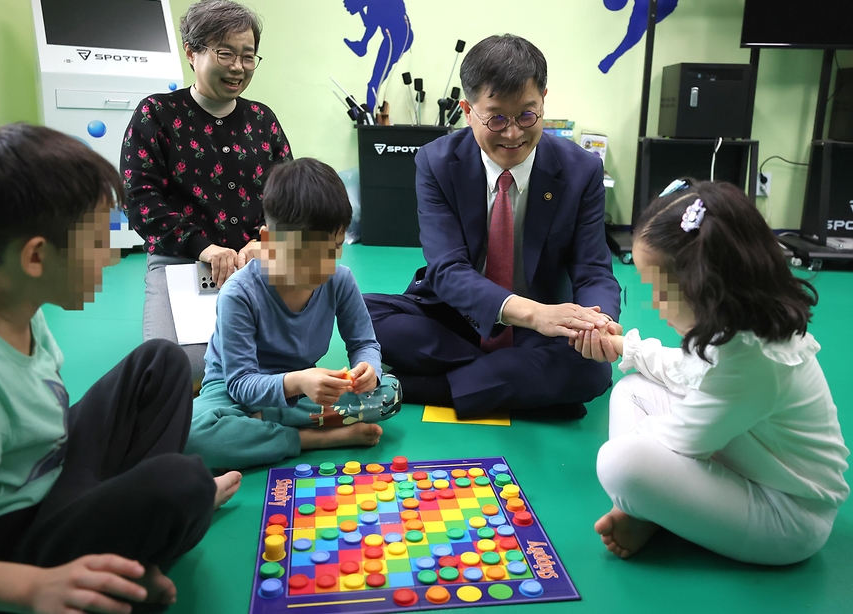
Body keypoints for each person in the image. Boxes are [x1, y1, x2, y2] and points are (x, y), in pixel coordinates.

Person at [0, 124, 242, 613]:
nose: (111, 258)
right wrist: (31, 590)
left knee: (159, 361)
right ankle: (125, 550)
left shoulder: (19, 305)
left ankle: (129, 535)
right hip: (8, 550)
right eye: (99, 242)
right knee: (182, 483)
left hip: (47, 473)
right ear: (36, 256)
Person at [585, 180, 849, 564]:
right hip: (750, 455)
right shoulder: (741, 321)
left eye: (661, 290)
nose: (656, 304)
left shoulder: (748, 358)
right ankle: (653, 508)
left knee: (620, 463)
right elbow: (686, 371)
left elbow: (681, 439)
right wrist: (627, 348)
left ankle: (648, 507)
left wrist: (639, 465)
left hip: (788, 517)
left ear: (704, 288)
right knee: (634, 388)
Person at [364, 34, 622, 420]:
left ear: (544, 100)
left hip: (545, 323)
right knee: (363, 313)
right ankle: (522, 382)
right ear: (468, 110)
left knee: (591, 366)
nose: (513, 133)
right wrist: (531, 313)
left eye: (527, 115)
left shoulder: (581, 170)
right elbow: (447, 271)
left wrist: (598, 323)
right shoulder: (435, 162)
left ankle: (421, 387)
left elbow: (593, 269)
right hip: (459, 316)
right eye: (496, 117)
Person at [186, 158, 402, 470]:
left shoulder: (340, 279)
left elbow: (364, 343)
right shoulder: (239, 293)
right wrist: (297, 382)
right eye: (306, 256)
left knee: (389, 394)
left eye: (336, 249)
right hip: (235, 396)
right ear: (269, 241)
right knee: (191, 434)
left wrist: (368, 370)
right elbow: (241, 385)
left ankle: (266, 426)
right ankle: (313, 438)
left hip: (299, 395)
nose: (324, 267)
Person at [122, 0, 293, 383]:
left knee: (284, 365)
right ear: (192, 53)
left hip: (257, 263)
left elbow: (290, 197)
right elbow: (141, 202)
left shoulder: (263, 120)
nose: (238, 67)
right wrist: (204, 247)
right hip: (182, 263)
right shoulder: (156, 114)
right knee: (184, 372)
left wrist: (264, 241)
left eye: (248, 56)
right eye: (225, 53)